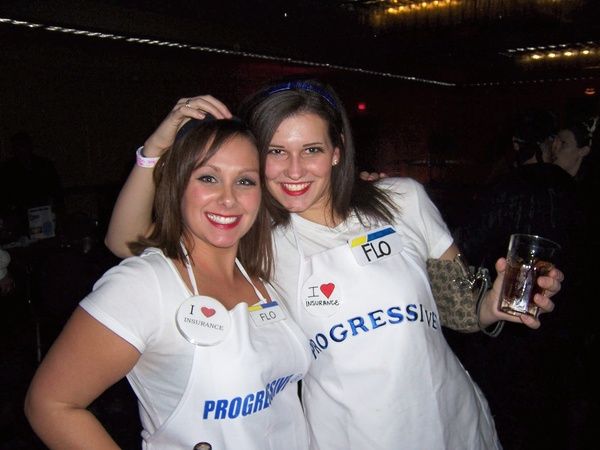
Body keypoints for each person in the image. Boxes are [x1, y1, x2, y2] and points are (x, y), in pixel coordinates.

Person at [104, 79, 563, 449]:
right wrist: (155, 148)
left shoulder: (401, 200)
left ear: (337, 151)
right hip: (348, 437)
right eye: (276, 152)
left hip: (452, 422)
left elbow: (459, 306)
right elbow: (126, 240)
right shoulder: (253, 237)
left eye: (312, 150)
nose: (295, 170)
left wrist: (492, 304)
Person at [24, 117, 311, 449]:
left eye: (245, 181)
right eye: (208, 178)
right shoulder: (144, 285)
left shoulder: (264, 275)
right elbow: (50, 405)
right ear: (177, 185)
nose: (228, 198)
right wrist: (152, 152)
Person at [449, 112, 597, 450]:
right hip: (566, 332)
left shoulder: (507, 188)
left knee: (508, 414)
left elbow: (464, 248)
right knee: (553, 416)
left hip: (511, 332)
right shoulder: (579, 194)